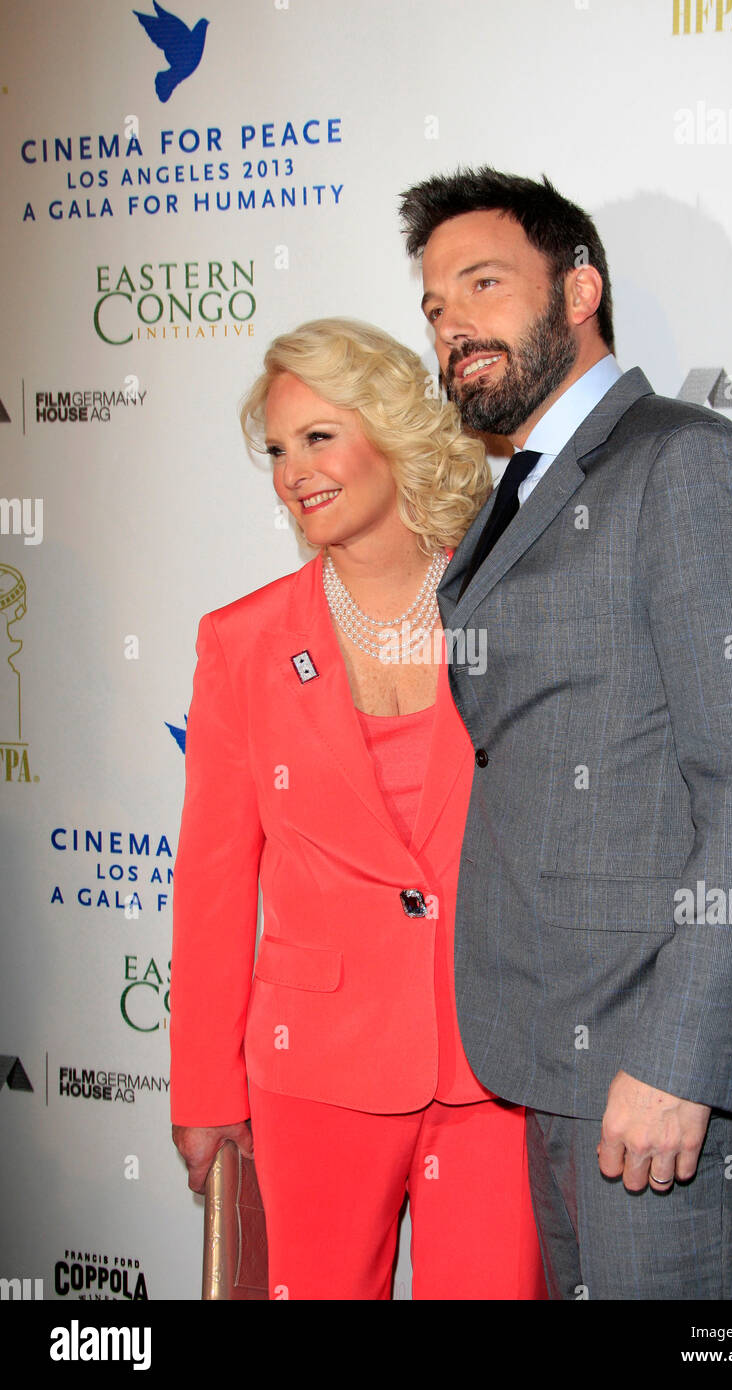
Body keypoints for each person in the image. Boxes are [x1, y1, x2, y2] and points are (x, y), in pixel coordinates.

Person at [399, 168, 732, 1300]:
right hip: (552, 1049)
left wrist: (682, 1060)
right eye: (435, 307)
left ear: (578, 288)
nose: (453, 327)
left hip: (655, 1061)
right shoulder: (515, 497)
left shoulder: (685, 465)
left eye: (483, 285)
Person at [169, 317, 547, 1301]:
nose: (295, 470)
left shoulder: (508, 609)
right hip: (314, 1074)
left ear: (390, 434)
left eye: (320, 436)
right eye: (279, 449)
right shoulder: (243, 642)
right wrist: (205, 1089)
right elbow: (211, 883)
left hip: (495, 1061)